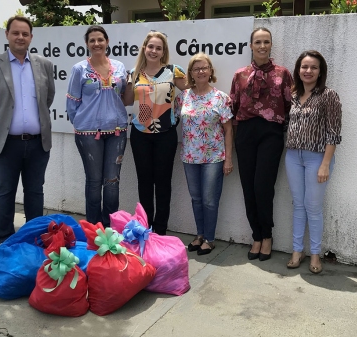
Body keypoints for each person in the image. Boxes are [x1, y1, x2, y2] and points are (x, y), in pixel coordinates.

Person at [0, 16, 55, 244]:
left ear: (31, 37)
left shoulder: (44, 65)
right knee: (5, 191)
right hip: (6, 143)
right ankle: (5, 241)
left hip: (38, 143)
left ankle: (35, 239)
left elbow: (47, 98)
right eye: (16, 33)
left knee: (35, 192)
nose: (20, 37)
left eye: (25, 34)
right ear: (7, 34)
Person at [230, 27, 292, 261]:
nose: (262, 46)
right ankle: (256, 235)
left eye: (266, 41)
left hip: (271, 133)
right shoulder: (240, 74)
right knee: (248, 186)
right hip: (245, 132)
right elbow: (234, 105)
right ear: (251, 45)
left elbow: (289, 103)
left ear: (271, 45)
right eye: (258, 42)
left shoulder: (283, 73)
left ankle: (267, 235)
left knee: (262, 187)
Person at [123, 31, 187, 235]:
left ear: (163, 51)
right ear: (144, 48)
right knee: (144, 181)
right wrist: (129, 82)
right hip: (140, 134)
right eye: (151, 46)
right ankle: (145, 227)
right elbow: (126, 101)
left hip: (166, 133)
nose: (154, 50)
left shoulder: (173, 71)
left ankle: (160, 229)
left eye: (158, 48)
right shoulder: (134, 72)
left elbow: (192, 89)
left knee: (163, 182)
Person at [285, 50, 342, 274]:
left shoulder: (329, 96)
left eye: (313, 67)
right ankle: (297, 251)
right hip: (292, 156)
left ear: (320, 72)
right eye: (304, 67)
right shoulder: (293, 95)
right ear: (298, 70)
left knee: (313, 207)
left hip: (317, 157)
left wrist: (325, 164)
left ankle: (315, 254)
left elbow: (333, 133)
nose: (308, 71)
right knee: (298, 205)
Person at [66, 26, 128, 228]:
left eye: (100, 39)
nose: (96, 44)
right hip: (88, 133)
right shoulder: (79, 69)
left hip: (117, 131)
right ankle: (93, 228)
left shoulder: (119, 67)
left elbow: (124, 96)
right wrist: (83, 123)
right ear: (87, 44)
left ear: (107, 41)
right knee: (94, 182)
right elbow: (72, 102)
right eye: (92, 40)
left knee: (112, 182)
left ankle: (111, 228)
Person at [174, 53, 233, 256]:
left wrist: (229, 160)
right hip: (189, 156)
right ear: (190, 73)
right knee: (196, 198)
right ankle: (199, 235)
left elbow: (228, 129)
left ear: (210, 71)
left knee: (209, 199)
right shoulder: (183, 97)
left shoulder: (221, 98)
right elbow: (173, 119)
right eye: (196, 68)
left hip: (214, 157)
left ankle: (209, 238)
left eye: (204, 67)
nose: (201, 71)